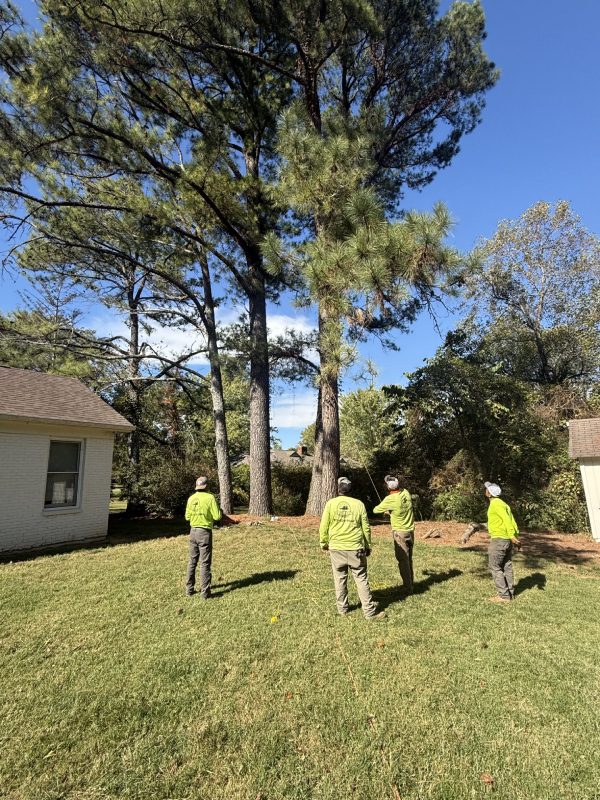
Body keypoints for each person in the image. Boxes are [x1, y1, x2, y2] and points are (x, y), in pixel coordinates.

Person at [319, 477, 385, 620]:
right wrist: (368, 545)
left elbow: (324, 524)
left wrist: (323, 542)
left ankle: (342, 609)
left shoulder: (331, 503)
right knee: (361, 578)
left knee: (340, 578)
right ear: (350, 489)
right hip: (356, 548)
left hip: (336, 548)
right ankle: (369, 612)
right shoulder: (359, 504)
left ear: (338, 489)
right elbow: (366, 527)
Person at [372, 475, 415, 594]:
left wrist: (387, 509)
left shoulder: (390, 499)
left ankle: (408, 588)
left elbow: (375, 510)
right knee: (409, 559)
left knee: (403, 560)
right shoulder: (406, 493)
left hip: (400, 533)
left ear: (388, 488)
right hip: (410, 531)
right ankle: (411, 583)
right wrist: (391, 510)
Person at [185, 476, 222, 598]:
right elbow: (217, 516)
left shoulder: (191, 498)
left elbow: (187, 517)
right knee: (205, 563)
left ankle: (189, 590)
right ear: (207, 486)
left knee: (192, 561)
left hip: (192, 532)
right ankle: (205, 593)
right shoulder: (210, 497)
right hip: (204, 532)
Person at [484, 481, 520, 604]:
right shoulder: (503, 504)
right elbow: (512, 520)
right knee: (507, 566)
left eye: (487, 489)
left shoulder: (496, 504)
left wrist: (512, 536)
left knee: (495, 567)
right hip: (507, 540)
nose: (485, 490)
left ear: (489, 494)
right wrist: (515, 536)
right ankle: (510, 592)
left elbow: (506, 520)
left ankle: (504, 596)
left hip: (499, 539)